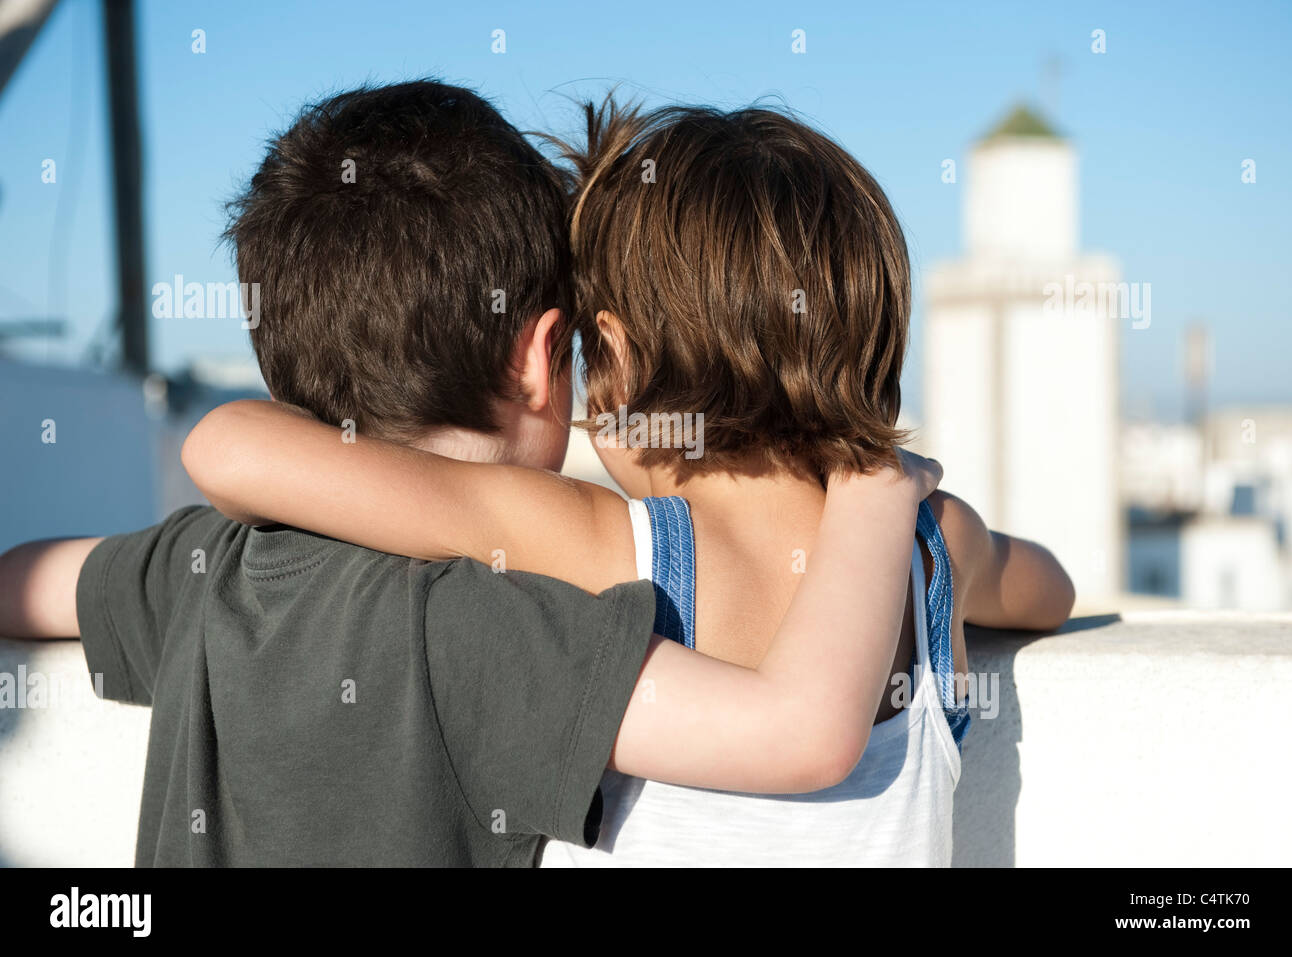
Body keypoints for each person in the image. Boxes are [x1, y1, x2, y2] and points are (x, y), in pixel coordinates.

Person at [0, 81, 942, 867]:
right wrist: (878, 481)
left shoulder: (198, 568)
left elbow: (59, 559)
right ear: (542, 356)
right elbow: (800, 727)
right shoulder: (502, 624)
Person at [181, 96, 1075, 866]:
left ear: (619, 353)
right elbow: (1051, 591)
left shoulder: (604, 543)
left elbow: (229, 449)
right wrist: (885, 486)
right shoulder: (931, 545)